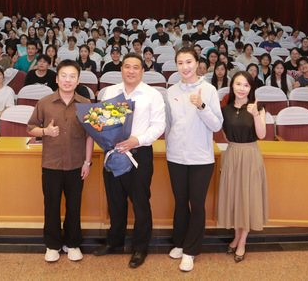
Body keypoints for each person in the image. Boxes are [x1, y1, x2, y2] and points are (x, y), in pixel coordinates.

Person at [93, 53, 166, 269]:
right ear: (121, 69)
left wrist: (137, 140)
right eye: (127, 66)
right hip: (114, 153)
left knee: (140, 202)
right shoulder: (110, 92)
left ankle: (140, 247)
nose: (131, 71)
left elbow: (159, 125)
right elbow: (101, 121)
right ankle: (114, 242)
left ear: (142, 71)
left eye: (136, 67)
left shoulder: (152, 94)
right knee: (115, 201)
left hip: (139, 153)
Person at [26, 60, 93, 263]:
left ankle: (72, 244)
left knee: (74, 206)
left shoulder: (86, 104)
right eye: (63, 75)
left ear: (78, 80)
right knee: (51, 206)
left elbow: (90, 135)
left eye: (72, 76)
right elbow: (30, 128)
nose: (67, 80)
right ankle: (52, 245)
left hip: (76, 164)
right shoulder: (44, 102)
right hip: (51, 164)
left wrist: (87, 162)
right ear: (56, 79)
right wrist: (45, 131)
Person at [164, 47, 223, 272]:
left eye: (189, 62)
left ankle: (190, 250)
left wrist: (202, 106)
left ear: (197, 63)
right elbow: (169, 125)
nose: (185, 67)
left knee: (196, 204)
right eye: (180, 63)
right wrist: (170, 150)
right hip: (176, 157)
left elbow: (217, 125)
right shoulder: (171, 91)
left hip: (201, 158)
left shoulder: (208, 90)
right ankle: (179, 243)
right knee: (180, 202)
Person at [217, 71, 268, 263]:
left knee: (247, 198)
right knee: (235, 198)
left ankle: (242, 242)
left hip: (251, 155)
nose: (242, 88)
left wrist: (255, 115)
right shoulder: (225, 110)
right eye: (238, 84)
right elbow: (226, 136)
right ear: (232, 86)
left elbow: (262, 135)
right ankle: (237, 237)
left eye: (246, 85)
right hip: (232, 154)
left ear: (251, 88)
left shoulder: (259, 107)